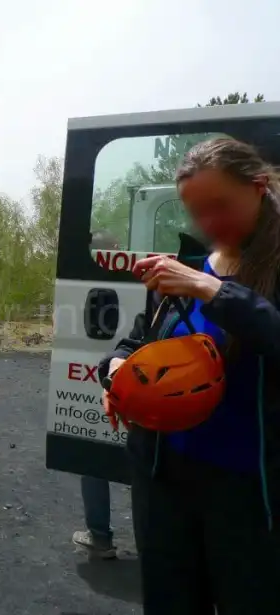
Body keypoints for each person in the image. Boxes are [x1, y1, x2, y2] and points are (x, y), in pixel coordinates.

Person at [99, 138, 280, 614]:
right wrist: (115, 374)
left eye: (220, 205)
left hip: (251, 493)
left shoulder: (212, 277)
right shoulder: (185, 270)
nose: (208, 224)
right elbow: (134, 345)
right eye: (196, 211)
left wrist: (214, 291)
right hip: (166, 481)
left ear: (259, 188)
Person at [72, 229, 121, 559]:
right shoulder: (139, 280)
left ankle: (100, 536)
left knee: (91, 452)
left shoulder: (91, 287)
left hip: (103, 375)